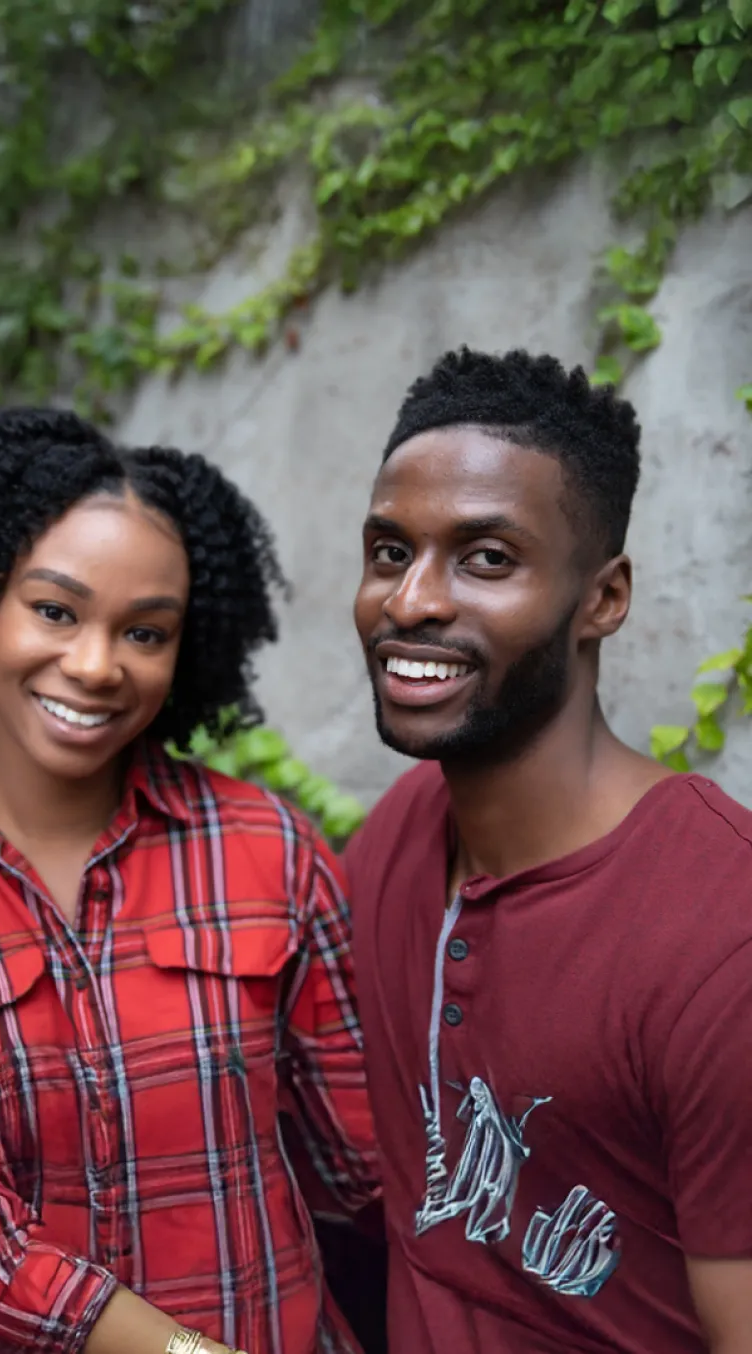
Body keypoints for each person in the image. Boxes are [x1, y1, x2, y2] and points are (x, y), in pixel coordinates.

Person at [0, 409, 380, 1354]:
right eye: (55, 611)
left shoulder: (268, 850)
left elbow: (366, 1165)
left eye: (145, 632)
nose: (98, 665)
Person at [346, 347, 752, 1352]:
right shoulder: (393, 838)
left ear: (601, 599)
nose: (409, 601)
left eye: (485, 558)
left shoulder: (719, 939)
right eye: (390, 551)